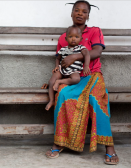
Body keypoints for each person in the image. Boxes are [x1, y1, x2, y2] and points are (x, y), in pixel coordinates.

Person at [43, 0, 119, 165]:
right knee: (62, 94)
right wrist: (56, 72)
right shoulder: (64, 36)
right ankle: (59, 143)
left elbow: (97, 51)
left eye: (84, 12)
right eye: (76, 10)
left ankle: (109, 147)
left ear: (88, 15)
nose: (80, 14)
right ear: (71, 13)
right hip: (71, 77)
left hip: (92, 75)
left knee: (98, 99)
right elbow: (59, 58)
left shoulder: (94, 31)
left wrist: (75, 56)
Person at [45, 25, 90, 111]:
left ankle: (60, 82)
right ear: (66, 39)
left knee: (76, 79)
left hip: (73, 71)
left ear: (81, 39)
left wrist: (86, 66)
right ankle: (51, 100)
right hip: (62, 70)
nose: (73, 39)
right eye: (70, 37)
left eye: (76, 37)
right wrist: (57, 67)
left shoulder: (81, 48)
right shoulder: (63, 49)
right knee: (51, 81)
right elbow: (58, 58)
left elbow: (87, 55)